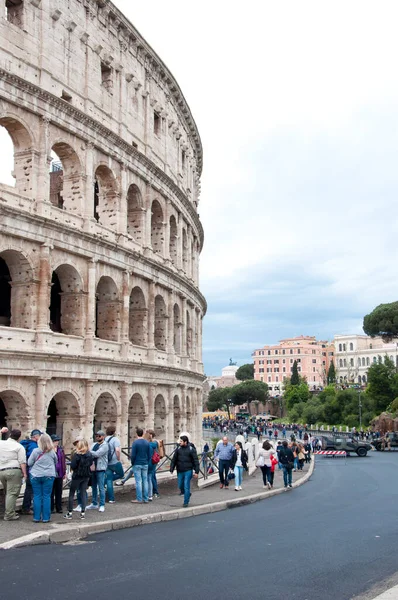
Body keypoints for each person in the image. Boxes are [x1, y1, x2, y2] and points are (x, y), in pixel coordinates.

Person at [28, 433, 57, 523]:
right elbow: (56, 461)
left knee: (37, 496)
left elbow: (29, 463)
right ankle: (46, 518)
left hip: (36, 475)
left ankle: (36, 517)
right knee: (46, 496)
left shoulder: (35, 451)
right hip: (48, 475)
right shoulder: (52, 452)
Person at [0, 428, 27, 521]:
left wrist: (0, 432)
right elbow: (22, 462)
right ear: (19, 437)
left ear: (10, 434)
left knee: (7, 492)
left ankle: (10, 511)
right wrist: (25, 473)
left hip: (2, 470)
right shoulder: (19, 447)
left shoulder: (1, 443)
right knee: (12, 493)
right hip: (14, 470)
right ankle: (9, 514)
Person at [64, 439, 94, 521]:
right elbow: (91, 464)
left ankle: (70, 513)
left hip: (77, 476)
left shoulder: (77, 456)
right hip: (86, 475)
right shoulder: (89, 455)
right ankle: (82, 513)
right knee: (83, 492)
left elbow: (73, 466)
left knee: (71, 493)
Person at [170, 435, 199, 507]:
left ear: (185, 442)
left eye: (181, 441)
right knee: (180, 485)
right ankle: (187, 493)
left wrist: (196, 471)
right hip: (180, 470)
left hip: (188, 470)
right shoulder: (178, 449)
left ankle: (186, 502)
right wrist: (171, 468)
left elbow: (196, 461)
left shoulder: (191, 449)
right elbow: (174, 459)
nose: (180, 442)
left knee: (186, 485)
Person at [20, 429, 41, 515]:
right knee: (30, 489)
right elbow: (33, 459)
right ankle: (26, 508)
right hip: (31, 469)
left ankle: (27, 507)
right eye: (40, 436)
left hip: (25, 468)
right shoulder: (34, 446)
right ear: (36, 437)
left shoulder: (25, 443)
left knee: (29, 489)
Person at [87, 430, 108, 513]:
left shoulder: (105, 445)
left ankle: (102, 504)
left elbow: (97, 454)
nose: (97, 437)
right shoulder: (94, 444)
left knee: (101, 487)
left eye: (99, 436)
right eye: (96, 436)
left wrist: (88, 451)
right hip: (93, 468)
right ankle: (94, 502)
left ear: (103, 436)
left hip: (100, 468)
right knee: (93, 486)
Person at [131, 427, 151, 504]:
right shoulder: (146, 442)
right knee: (145, 481)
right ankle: (146, 498)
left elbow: (133, 455)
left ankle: (139, 498)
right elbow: (149, 454)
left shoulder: (135, 443)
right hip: (145, 463)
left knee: (138, 481)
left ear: (136, 434)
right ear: (142, 434)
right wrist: (147, 461)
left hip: (137, 463)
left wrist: (133, 462)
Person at [105, 426, 123, 504]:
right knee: (121, 474)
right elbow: (117, 450)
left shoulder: (105, 439)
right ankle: (103, 482)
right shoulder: (115, 439)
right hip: (115, 461)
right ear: (114, 432)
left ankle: (111, 499)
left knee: (109, 479)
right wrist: (119, 458)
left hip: (107, 462)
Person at [50, 434, 66, 514]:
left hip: (59, 473)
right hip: (51, 473)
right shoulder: (49, 450)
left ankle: (59, 507)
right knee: (51, 491)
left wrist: (64, 472)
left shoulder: (60, 450)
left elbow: (63, 461)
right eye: (55, 441)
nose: (56, 442)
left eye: (57, 441)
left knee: (59, 491)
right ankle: (51, 507)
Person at [144, 429, 159, 501]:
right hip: (154, 460)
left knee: (151, 477)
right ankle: (153, 492)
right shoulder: (155, 442)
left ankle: (154, 492)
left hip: (151, 461)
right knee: (152, 476)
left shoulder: (152, 443)